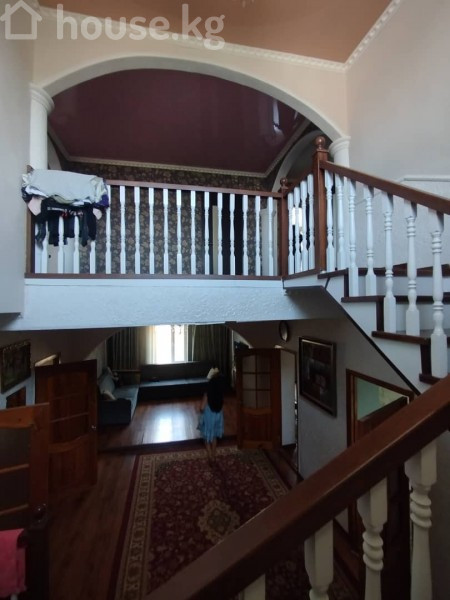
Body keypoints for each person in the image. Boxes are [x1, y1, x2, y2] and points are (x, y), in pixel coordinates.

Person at [197, 368, 224, 463]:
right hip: (218, 415)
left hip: (209, 417)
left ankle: (210, 455)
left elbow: (202, 407)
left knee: (207, 437)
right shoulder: (220, 393)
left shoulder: (208, 392)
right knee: (214, 437)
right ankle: (214, 455)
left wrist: (200, 410)